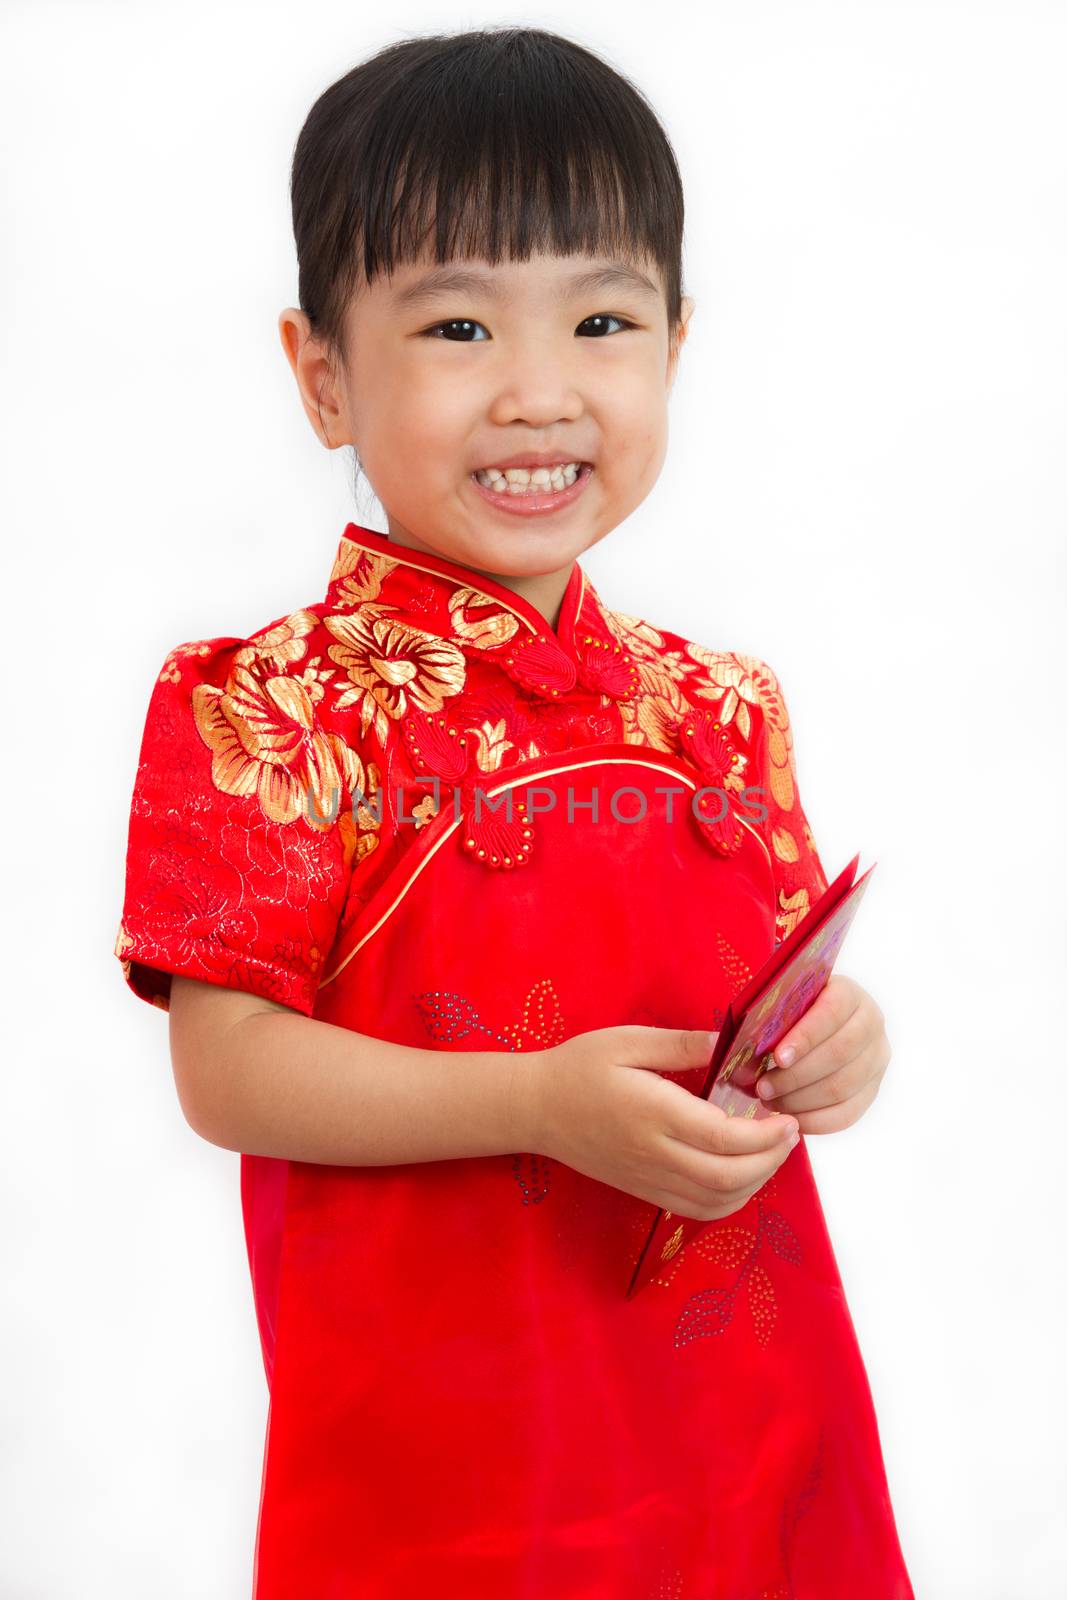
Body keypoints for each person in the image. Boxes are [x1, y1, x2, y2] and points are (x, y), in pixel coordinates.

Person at [114, 25, 914, 1599]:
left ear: (676, 346)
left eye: (602, 319)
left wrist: (844, 1048)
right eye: (460, 325)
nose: (539, 393)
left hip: (741, 1414)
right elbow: (226, 1068)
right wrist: (538, 1104)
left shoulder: (723, 706)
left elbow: (766, 1012)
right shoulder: (266, 709)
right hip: (454, 1442)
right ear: (323, 374)